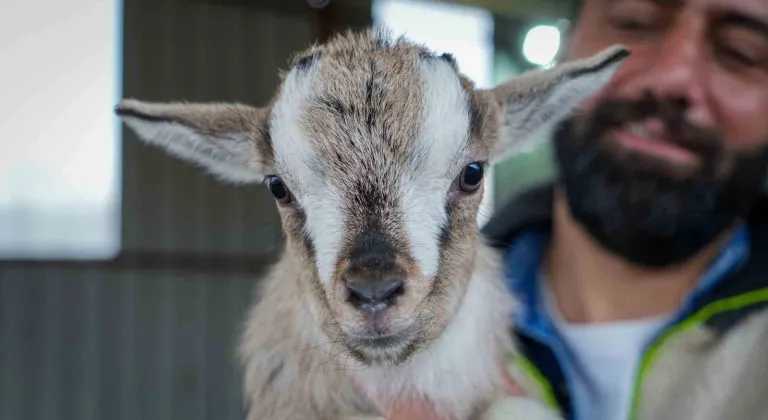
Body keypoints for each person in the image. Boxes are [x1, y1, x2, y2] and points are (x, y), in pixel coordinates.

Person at [377, 0, 768, 419]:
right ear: (566, 49)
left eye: (740, 51)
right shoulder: (379, 345)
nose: (673, 77)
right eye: (633, 21)